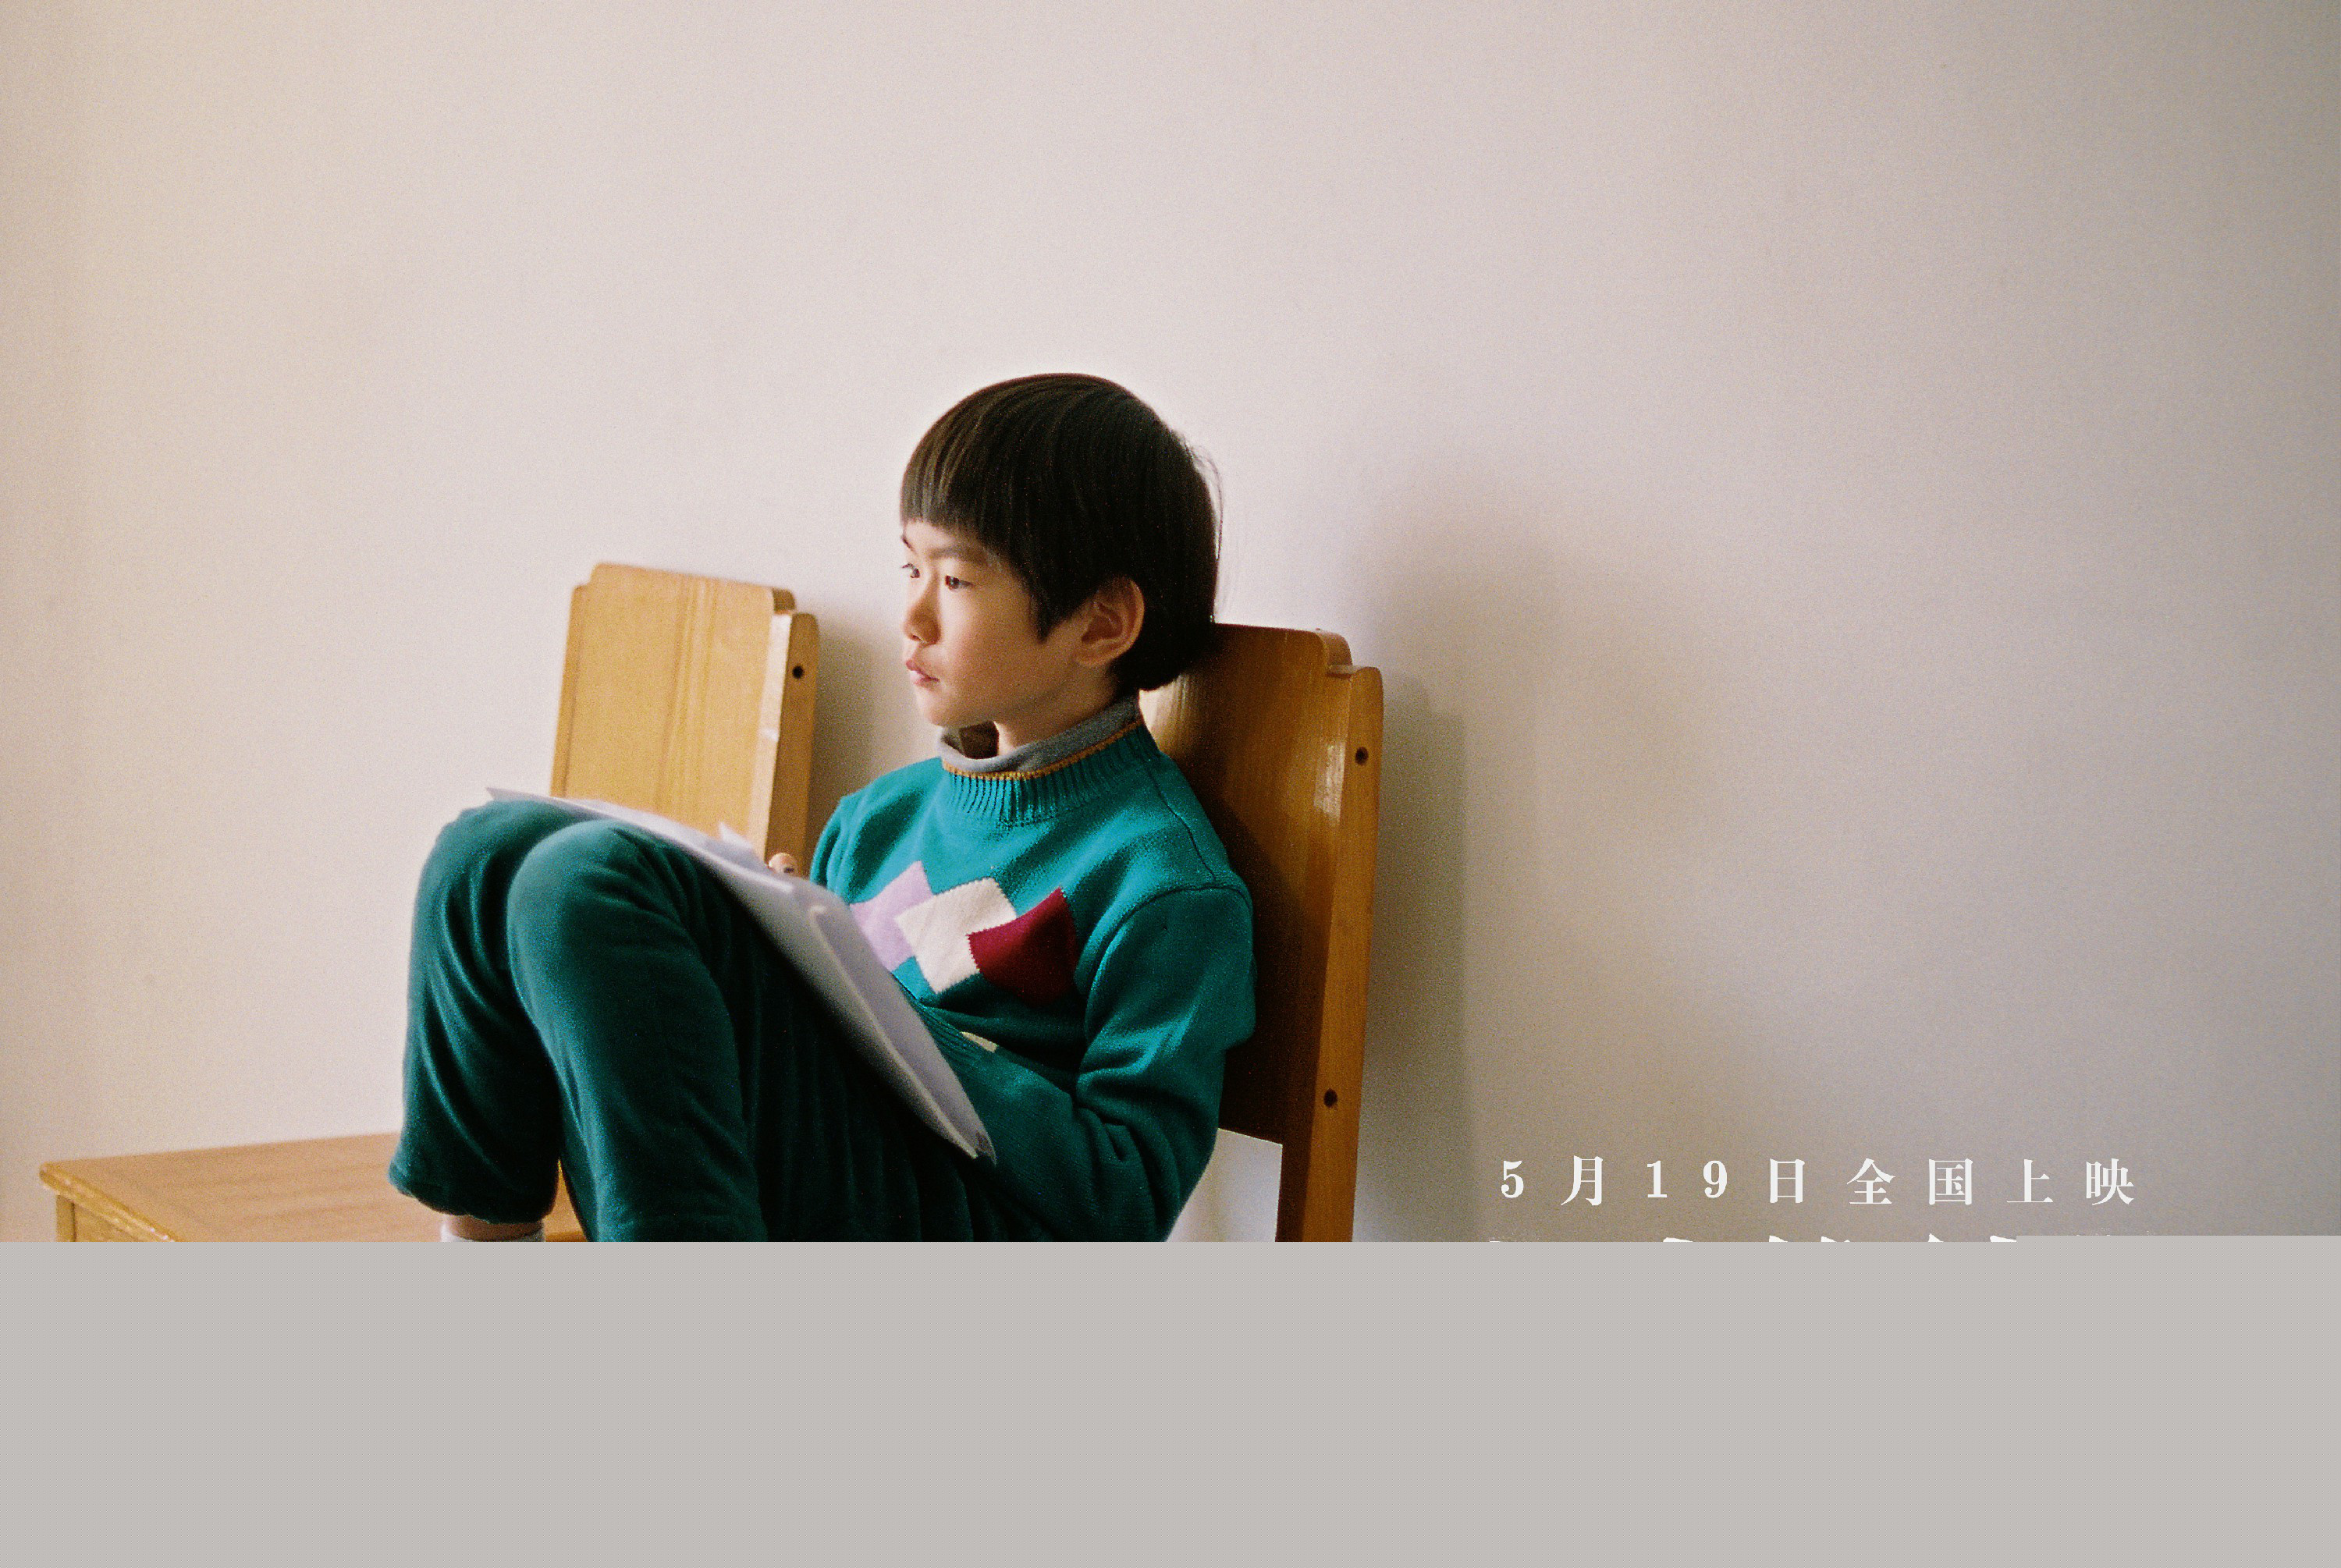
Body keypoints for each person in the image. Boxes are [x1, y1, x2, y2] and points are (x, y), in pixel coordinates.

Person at [389, 374, 1256, 1240]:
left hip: (967, 1223)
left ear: (1101, 625)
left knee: (591, 880)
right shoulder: (877, 819)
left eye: (956, 579)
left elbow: (1124, 1198)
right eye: (911, 567)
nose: (912, 615)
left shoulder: (1163, 882)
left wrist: (890, 1019)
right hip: (817, 1187)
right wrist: (798, 959)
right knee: (489, 849)